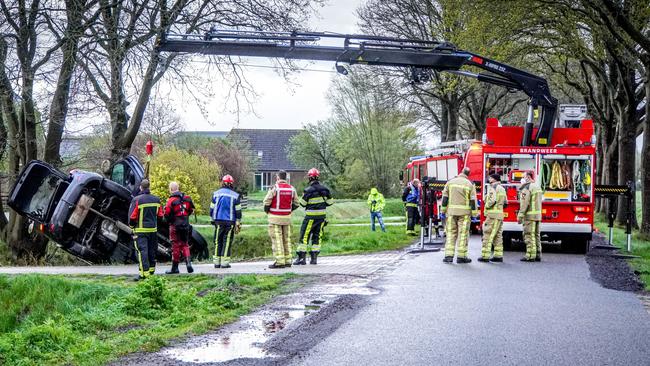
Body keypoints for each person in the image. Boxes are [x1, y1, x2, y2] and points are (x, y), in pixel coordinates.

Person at [296, 168, 333, 265]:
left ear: (310, 178)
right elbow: (330, 202)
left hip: (310, 218)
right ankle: (314, 259)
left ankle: (302, 258)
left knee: (304, 236)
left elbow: (303, 203)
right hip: (321, 218)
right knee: (317, 236)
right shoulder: (325, 189)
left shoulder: (308, 190)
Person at [263, 170, 300, 269]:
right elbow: (297, 203)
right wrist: (289, 210)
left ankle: (279, 261)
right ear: (286, 178)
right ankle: (288, 260)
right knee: (286, 239)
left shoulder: (274, 188)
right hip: (287, 218)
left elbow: (266, 202)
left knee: (277, 240)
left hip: (274, 219)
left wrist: (267, 211)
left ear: (278, 178)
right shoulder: (292, 189)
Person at [128, 179, 163, 280]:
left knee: (142, 251)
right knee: (152, 251)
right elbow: (160, 216)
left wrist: (131, 227)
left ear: (140, 187)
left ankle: (144, 274)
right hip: (153, 230)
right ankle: (151, 273)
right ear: (149, 187)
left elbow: (132, 217)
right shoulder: (157, 199)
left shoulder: (137, 200)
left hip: (141, 231)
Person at [441, 167, 478, 264]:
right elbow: (473, 200)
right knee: (462, 234)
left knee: (451, 233)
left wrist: (443, 210)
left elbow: (445, 197)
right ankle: (461, 256)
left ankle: (448, 255)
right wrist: (474, 213)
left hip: (451, 213)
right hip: (464, 214)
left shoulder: (450, 182)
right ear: (468, 174)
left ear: (461, 172)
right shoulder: (469, 184)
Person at [210, 175, 242, 269]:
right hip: (229, 222)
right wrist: (238, 222)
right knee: (226, 241)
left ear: (222, 182)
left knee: (217, 241)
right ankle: (224, 263)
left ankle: (216, 262)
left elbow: (211, 209)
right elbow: (238, 211)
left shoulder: (216, 194)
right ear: (231, 183)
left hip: (218, 221)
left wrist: (212, 220)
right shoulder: (235, 195)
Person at [164, 181, 195, 274]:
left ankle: (175, 267)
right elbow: (191, 210)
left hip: (175, 226)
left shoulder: (170, 201)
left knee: (175, 245)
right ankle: (188, 264)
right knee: (185, 244)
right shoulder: (187, 198)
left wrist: (169, 221)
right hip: (185, 224)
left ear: (170, 190)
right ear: (178, 188)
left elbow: (167, 214)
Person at [478, 174, 507, 263]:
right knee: (497, 236)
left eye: (490, 177)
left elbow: (491, 200)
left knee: (488, 234)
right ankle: (498, 255)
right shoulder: (502, 188)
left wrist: (486, 206)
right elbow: (506, 203)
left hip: (492, 216)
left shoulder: (493, 187)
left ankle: (485, 256)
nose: (489, 179)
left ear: (494, 179)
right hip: (499, 215)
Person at [518, 171, 543, 262]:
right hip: (537, 216)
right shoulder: (537, 186)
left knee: (529, 235)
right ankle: (537, 254)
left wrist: (520, 215)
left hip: (529, 216)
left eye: (523, 177)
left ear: (528, 177)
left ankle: (530, 255)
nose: (522, 179)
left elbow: (524, 203)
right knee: (536, 235)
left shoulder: (527, 187)